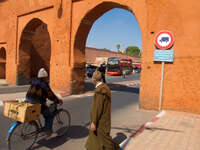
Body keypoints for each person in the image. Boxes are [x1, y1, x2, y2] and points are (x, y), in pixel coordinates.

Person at [85, 70, 120, 150]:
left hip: (100, 120)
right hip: (104, 118)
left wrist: (94, 121)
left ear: (94, 80)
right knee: (96, 138)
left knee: (104, 139)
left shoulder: (99, 91)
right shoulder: (104, 87)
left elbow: (97, 108)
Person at [25, 68, 63, 137]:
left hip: (27, 101)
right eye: (46, 77)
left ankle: (32, 121)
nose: (47, 78)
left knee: (42, 110)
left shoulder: (34, 81)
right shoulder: (44, 84)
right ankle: (48, 132)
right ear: (45, 77)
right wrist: (58, 100)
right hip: (37, 103)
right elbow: (50, 95)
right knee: (49, 115)